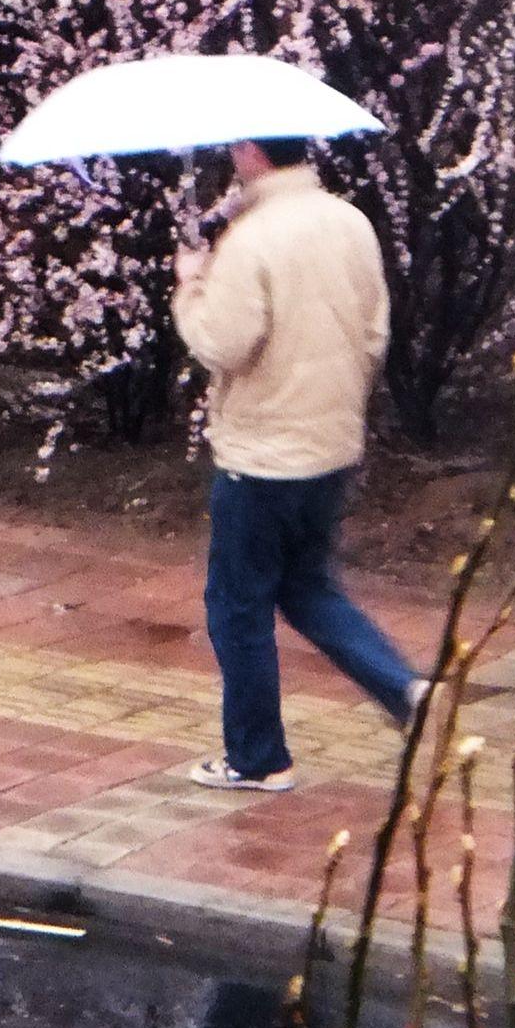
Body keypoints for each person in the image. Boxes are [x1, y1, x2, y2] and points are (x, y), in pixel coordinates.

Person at [171, 135, 425, 791]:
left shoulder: (250, 241)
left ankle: (257, 758)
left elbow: (220, 345)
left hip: (260, 456)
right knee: (308, 586)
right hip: (331, 442)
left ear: (252, 152)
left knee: (237, 605)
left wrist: (189, 287)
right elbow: (374, 333)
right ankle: (404, 691)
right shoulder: (350, 221)